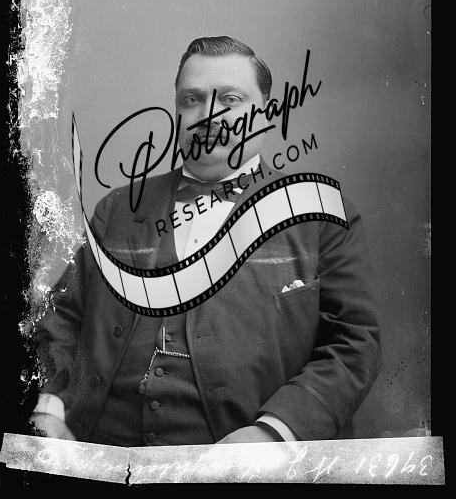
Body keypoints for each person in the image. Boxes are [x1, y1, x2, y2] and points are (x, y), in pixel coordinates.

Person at [31, 36, 381, 446]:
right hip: (98, 449)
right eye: (192, 100)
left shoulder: (321, 214)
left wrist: (273, 433)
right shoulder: (118, 209)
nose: (209, 115)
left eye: (230, 99)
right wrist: (49, 408)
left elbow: (354, 343)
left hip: (242, 462)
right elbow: (61, 316)